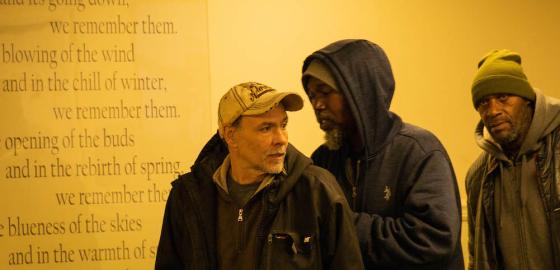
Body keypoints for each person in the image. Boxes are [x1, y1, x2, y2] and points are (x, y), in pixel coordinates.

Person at [155, 82, 364, 270]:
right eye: (266, 128)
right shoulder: (188, 197)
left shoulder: (318, 190)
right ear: (230, 135)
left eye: (283, 125)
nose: (281, 139)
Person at [301, 39, 464, 269]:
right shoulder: (323, 160)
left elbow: (433, 241)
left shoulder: (419, 151)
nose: (317, 104)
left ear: (360, 92)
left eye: (325, 92)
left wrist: (344, 225)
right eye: (312, 96)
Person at [465, 49, 560, 270]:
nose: (493, 110)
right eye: (483, 103)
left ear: (527, 100)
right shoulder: (478, 176)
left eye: (503, 97)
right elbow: (477, 257)